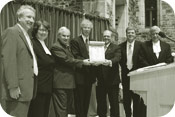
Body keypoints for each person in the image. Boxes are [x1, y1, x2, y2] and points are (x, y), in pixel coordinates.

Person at [1, 5, 37, 117]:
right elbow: (9, 61)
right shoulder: (12, 32)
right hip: (17, 91)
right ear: (19, 18)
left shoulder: (26, 36)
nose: (31, 20)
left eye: (33, 18)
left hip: (26, 89)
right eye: (28, 17)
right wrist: (13, 86)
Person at [50, 26, 90, 117]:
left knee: (66, 109)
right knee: (61, 110)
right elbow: (66, 60)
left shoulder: (66, 47)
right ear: (58, 36)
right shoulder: (56, 47)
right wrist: (82, 62)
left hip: (69, 83)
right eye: (64, 36)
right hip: (61, 83)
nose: (66, 38)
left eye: (68, 36)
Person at [27, 20, 55, 117]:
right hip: (38, 87)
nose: (44, 32)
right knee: (37, 113)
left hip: (47, 86)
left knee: (44, 113)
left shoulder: (43, 44)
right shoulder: (33, 43)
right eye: (41, 30)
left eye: (46, 30)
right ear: (35, 30)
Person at [70, 19, 96, 117]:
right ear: (81, 28)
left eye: (89, 28)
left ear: (91, 29)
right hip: (80, 76)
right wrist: (88, 61)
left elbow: (97, 56)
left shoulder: (94, 42)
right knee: (79, 101)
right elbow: (75, 56)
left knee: (86, 101)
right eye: (85, 27)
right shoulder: (75, 41)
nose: (87, 29)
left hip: (90, 76)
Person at [119, 27, 145, 117]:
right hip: (125, 76)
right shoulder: (121, 46)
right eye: (128, 33)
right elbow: (119, 60)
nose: (130, 34)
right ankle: (128, 115)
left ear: (135, 34)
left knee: (136, 98)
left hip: (136, 76)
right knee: (126, 99)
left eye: (132, 33)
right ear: (126, 34)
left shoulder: (141, 45)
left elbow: (143, 60)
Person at [95, 30, 121, 117]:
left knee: (114, 103)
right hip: (100, 80)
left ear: (111, 37)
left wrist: (110, 62)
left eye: (108, 36)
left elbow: (117, 58)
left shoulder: (116, 47)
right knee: (101, 103)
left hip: (112, 80)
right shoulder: (98, 47)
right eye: (105, 36)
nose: (106, 38)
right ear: (102, 36)